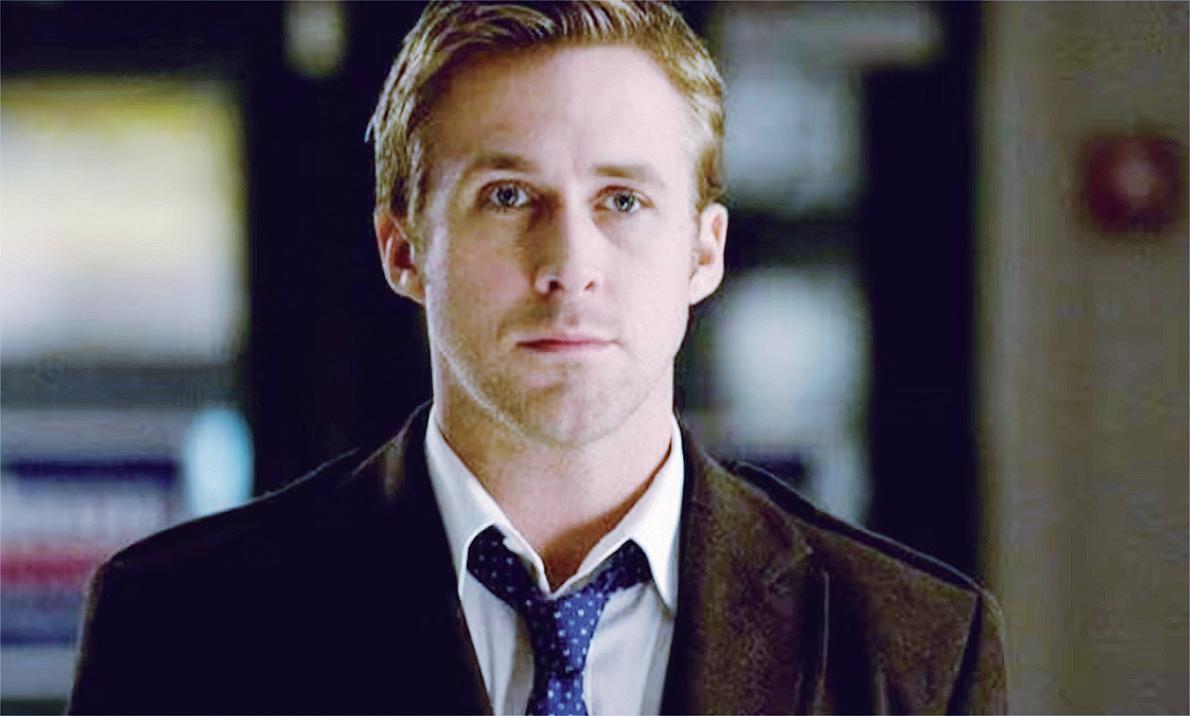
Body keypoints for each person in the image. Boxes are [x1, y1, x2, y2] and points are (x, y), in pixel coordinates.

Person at [68, 2, 1006, 714]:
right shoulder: (181, 624)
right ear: (403, 249)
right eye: (509, 197)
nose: (568, 265)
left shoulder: (914, 650)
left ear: (705, 252)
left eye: (623, 201)